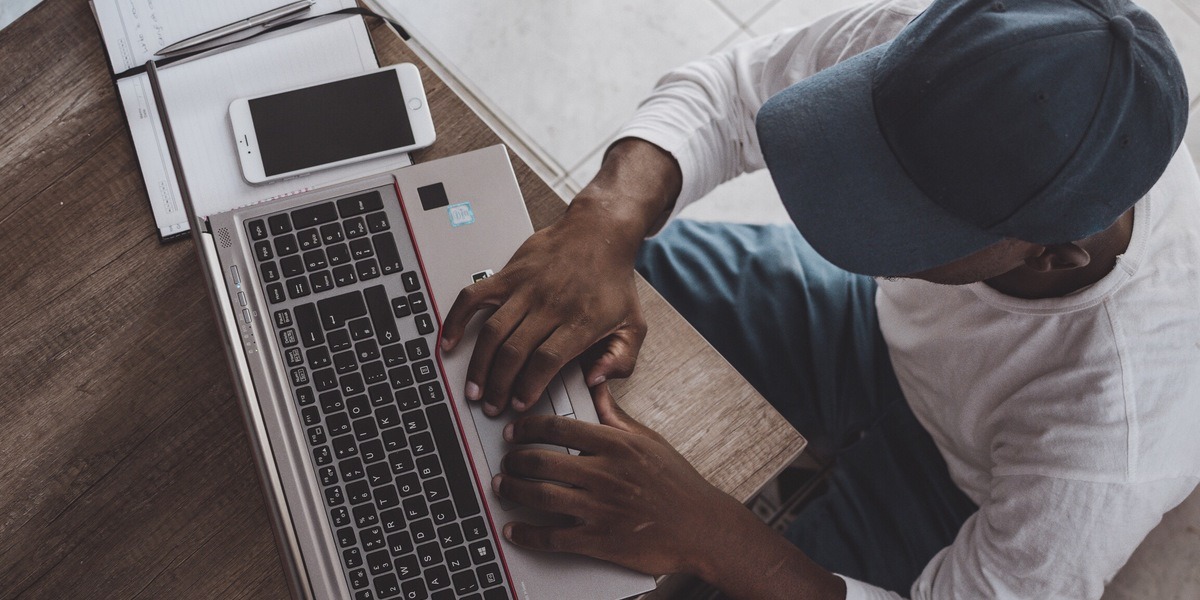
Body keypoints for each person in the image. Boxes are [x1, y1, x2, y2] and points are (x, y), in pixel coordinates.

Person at [440, 0, 1200, 597]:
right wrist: (604, 221)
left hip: (967, 489)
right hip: (866, 324)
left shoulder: (1117, 429)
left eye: (906, 218)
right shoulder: (966, 56)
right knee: (600, 284)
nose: (854, 200)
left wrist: (714, 537)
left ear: (1052, 254)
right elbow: (732, 90)